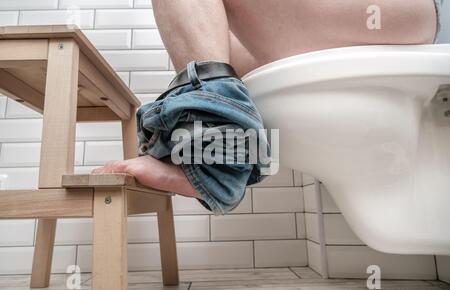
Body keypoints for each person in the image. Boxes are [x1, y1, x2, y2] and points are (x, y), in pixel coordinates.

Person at [92, 0, 441, 213]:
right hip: (376, 22)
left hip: (426, 14)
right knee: (212, 44)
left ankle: (216, 168)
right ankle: (216, 156)